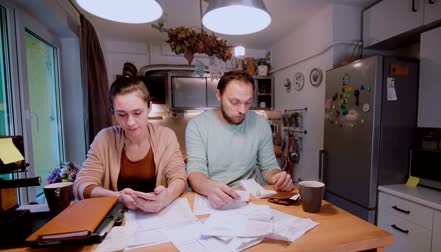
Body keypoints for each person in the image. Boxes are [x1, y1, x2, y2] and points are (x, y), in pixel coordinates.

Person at [73, 76, 186, 213]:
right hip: (119, 220)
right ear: (113, 112)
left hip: (158, 217)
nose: (130, 122)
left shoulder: (166, 136)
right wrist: (117, 197)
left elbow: (179, 177)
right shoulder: (104, 139)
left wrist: (166, 197)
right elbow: (80, 185)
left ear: (149, 106)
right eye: (122, 115)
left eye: (137, 113)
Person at [185, 70, 293, 209]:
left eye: (247, 102)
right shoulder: (197, 125)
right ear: (219, 95)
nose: (242, 110)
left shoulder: (261, 124)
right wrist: (209, 187)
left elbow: (269, 167)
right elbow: (195, 172)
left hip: (249, 200)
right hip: (210, 199)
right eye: (234, 102)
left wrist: (279, 178)